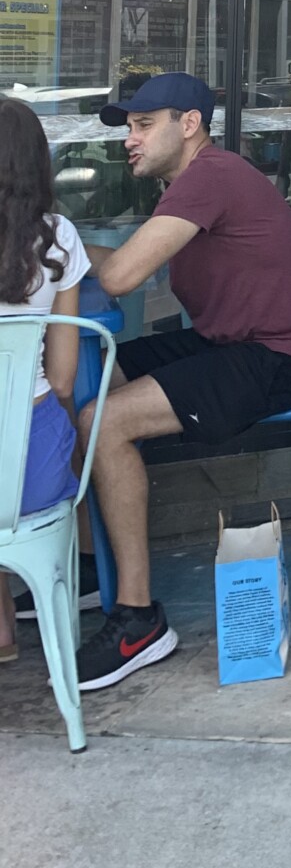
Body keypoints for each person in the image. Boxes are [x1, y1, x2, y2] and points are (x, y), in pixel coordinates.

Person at [74, 73, 291, 691]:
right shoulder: (190, 184)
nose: (129, 140)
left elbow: (123, 277)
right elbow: (113, 263)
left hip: (273, 359)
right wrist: (58, 246)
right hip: (233, 341)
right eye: (127, 128)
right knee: (89, 378)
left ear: (189, 126)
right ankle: (86, 569)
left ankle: (138, 622)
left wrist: (68, 252)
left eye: (142, 125)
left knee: (102, 419)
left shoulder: (210, 176)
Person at [0, 98, 88, 663]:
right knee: (61, 434)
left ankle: (2, 631)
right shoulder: (60, 241)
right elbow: (60, 380)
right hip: (29, 473)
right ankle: (63, 598)